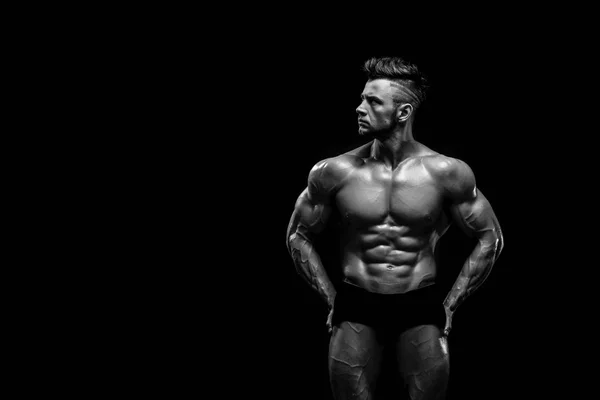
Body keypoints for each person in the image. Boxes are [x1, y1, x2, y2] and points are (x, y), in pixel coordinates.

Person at [285, 56, 504, 400]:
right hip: (356, 302)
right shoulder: (334, 171)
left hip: (419, 302)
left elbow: (490, 237)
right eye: (361, 98)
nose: (359, 108)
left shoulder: (445, 172)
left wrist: (451, 303)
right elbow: (298, 234)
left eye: (373, 101)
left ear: (402, 112)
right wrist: (332, 297)